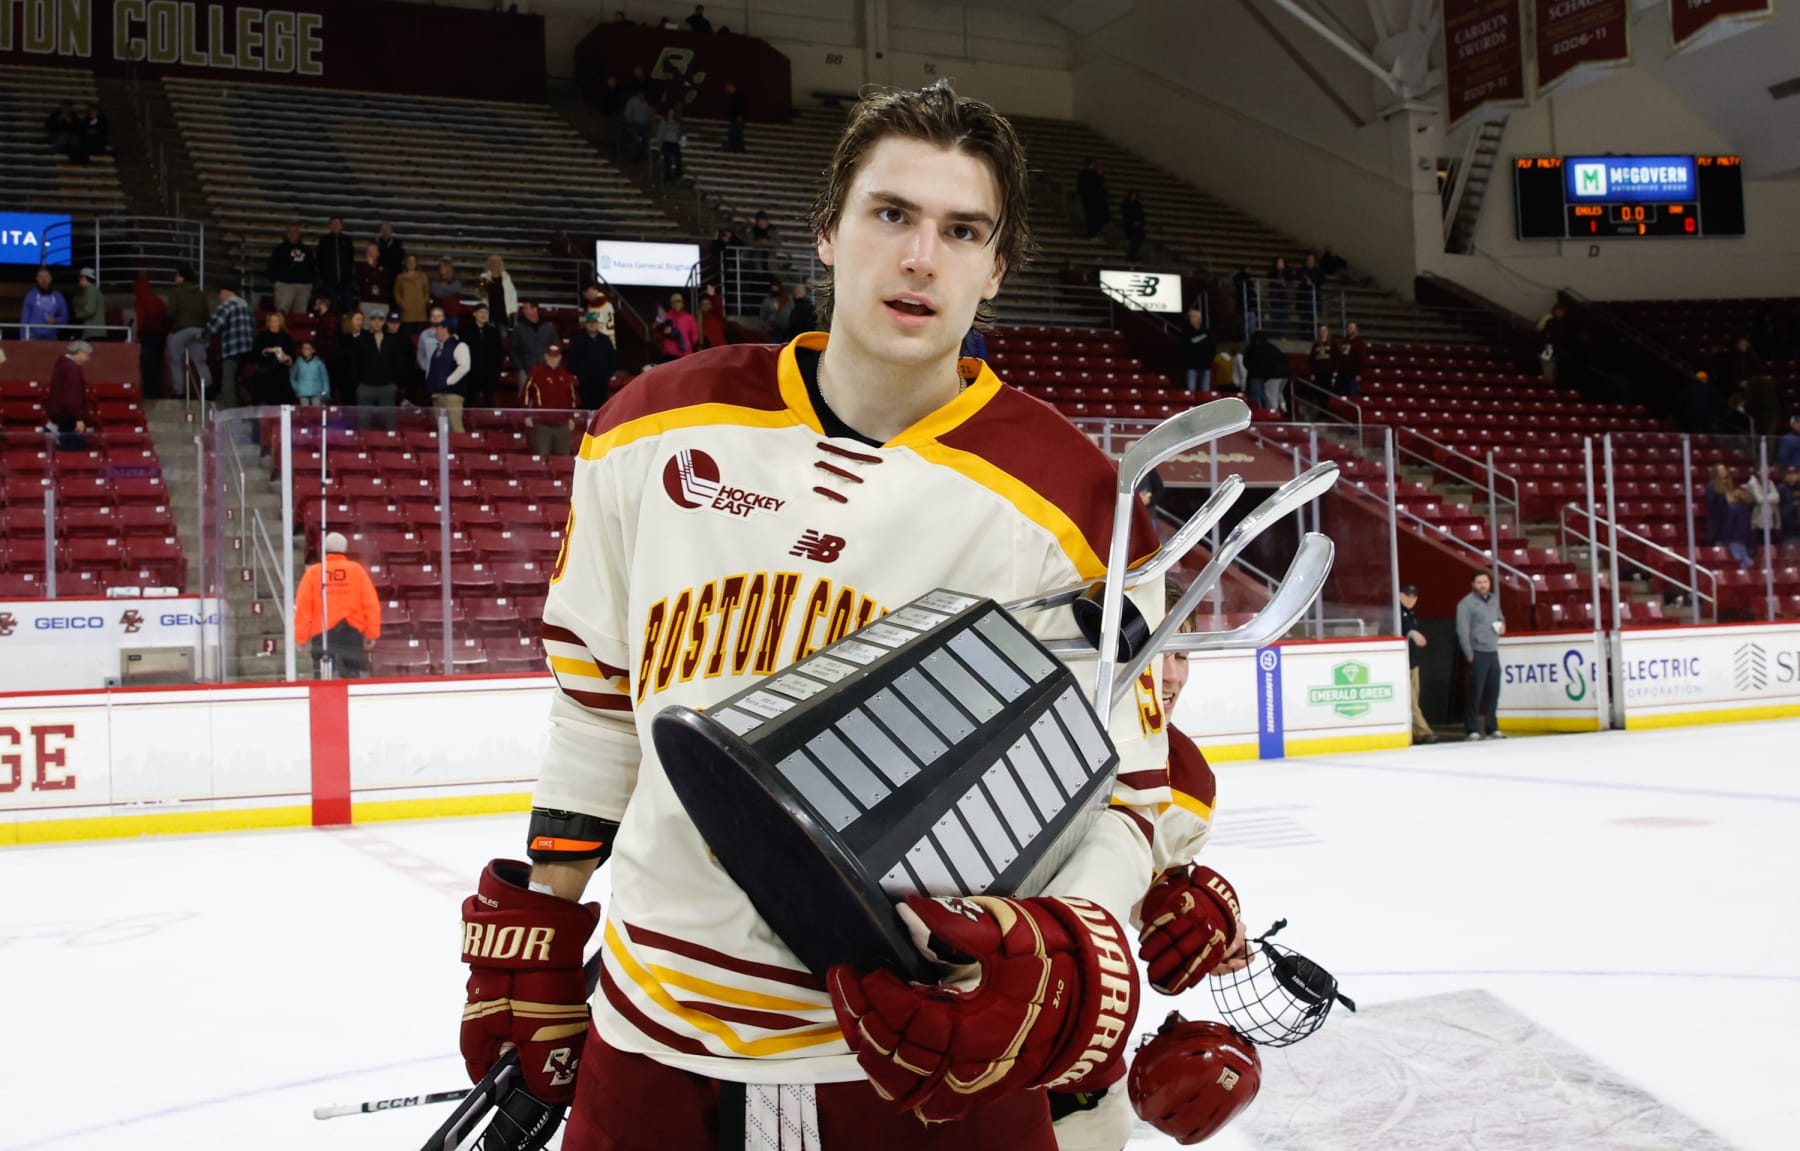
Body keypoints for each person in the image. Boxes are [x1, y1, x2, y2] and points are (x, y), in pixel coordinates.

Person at [454, 79, 1189, 1151]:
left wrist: (1068, 947)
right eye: (891, 214)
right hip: (653, 1039)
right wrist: (550, 908)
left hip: (921, 1053)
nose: (921, 256)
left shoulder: (1079, 504)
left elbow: (1125, 796)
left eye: (961, 229)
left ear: (997, 267)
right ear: (829, 235)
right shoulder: (652, 428)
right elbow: (598, 702)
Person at [293, 532, 381, 678]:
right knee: (352, 680)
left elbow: (303, 608)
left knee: (323, 681)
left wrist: (301, 638)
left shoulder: (313, 573)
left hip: (322, 635)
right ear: (345, 550)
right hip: (352, 634)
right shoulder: (357, 571)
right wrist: (371, 634)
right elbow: (371, 605)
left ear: (324, 550)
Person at [1455, 572, 1506, 741]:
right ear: (1473, 584)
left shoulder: (1493, 600)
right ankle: (1471, 729)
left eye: (1485, 581)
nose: (1483, 585)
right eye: (1479, 582)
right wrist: (1469, 653)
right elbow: (1462, 630)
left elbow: (1500, 617)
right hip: (1477, 652)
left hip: (1492, 651)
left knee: (1493, 691)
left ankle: (1492, 727)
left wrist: (1502, 625)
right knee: (1476, 692)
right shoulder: (1466, 604)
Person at [523, 343, 579, 456]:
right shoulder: (536, 373)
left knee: (563, 457)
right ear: (545, 356)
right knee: (541, 455)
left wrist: (572, 418)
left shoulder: (566, 376)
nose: (553, 359)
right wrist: (526, 415)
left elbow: (573, 399)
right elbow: (526, 394)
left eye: (556, 356)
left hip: (562, 425)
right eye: (550, 356)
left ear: (560, 358)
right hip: (541, 424)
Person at [205, 286, 256, 407]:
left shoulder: (226, 306)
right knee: (236, 379)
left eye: (221, 294)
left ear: (226, 293)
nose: (220, 298)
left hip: (231, 348)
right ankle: (247, 399)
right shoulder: (247, 307)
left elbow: (214, 327)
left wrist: (201, 334)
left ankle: (231, 411)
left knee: (228, 382)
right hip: (247, 349)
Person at [165, 267, 210, 397]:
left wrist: (169, 322)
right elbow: (207, 314)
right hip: (198, 330)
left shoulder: (175, 292)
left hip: (180, 330)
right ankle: (207, 387)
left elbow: (172, 311)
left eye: (176, 276)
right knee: (200, 361)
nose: (175, 278)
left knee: (175, 360)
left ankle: (179, 391)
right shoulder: (201, 293)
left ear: (182, 277)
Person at [424, 313, 471, 433]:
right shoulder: (438, 349)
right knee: (442, 430)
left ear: (445, 329)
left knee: (456, 428)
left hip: (452, 395)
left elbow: (464, 367)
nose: (435, 331)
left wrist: (447, 382)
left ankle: (461, 451)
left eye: (438, 328)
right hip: (437, 394)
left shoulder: (459, 345)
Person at [1400, 584, 1435, 744]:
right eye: (1407, 595)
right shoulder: (1395, 612)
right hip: (1401, 663)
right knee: (1412, 700)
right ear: (1400, 595)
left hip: (1413, 663)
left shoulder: (1411, 613)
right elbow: (1393, 630)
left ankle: (1415, 731)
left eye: (1413, 597)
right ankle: (1424, 731)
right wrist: (1410, 633)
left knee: (1414, 699)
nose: (1410, 599)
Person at [566, 309, 617, 410]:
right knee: (587, 408)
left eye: (594, 322)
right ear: (586, 324)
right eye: (589, 322)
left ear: (598, 324)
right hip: (585, 383)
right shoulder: (578, 340)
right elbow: (572, 360)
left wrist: (607, 375)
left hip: (602, 382)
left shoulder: (605, 340)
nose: (592, 325)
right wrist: (580, 375)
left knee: (602, 409)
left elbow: (612, 359)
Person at [48, 340, 93, 451]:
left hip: (61, 416)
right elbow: (72, 396)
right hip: (69, 418)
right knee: (73, 451)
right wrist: (78, 418)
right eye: (87, 355)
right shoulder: (72, 368)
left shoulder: (61, 365)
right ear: (80, 352)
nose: (88, 359)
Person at [460, 303, 505, 408]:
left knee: (489, 403)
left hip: (489, 375)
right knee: (470, 403)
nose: (483, 315)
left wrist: (496, 370)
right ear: (474, 314)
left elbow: (499, 353)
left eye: (485, 312)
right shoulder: (465, 331)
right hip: (471, 374)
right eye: (481, 312)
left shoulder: (493, 332)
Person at [132, 271, 168, 397]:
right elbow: (166, 319)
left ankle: (149, 392)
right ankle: (158, 391)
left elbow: (140, 318)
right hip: (160, 336)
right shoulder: (159, 301)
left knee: (147, 365)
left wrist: (136, 334)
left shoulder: (139, 301)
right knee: (158, 364)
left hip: (146, 336)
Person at [250, 310, 296, 405]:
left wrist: (286, 358)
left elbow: (292, 358)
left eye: (276, 321)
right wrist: (267, 350)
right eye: (271, 321)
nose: (273, 323)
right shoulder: (261, 336)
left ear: (280, 322)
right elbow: (255, 353)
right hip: (265, 375)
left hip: (281, 374)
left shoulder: (287, 337)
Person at [269, 225, 315, 315]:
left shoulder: (306, 250)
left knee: (300, 314)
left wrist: (310, 281)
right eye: (290, 232)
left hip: (303, 286)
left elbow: (312, 266)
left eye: (295, 232)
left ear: (299, 234)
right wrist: (276, 280)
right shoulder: (279, 250)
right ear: (286, 234)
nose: (292, 234)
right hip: (284, 285)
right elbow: (272, 266)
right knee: (282, 313)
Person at [315, 216, 356, 313]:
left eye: (338, 224)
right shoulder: (324, 241)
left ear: (342, 226)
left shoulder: (347, 241)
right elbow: (319, 260)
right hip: (329, 282)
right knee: (332, 307)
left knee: (347, 306)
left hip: (345, 281)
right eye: (333, 224)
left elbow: (351, 260)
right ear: (329, 226)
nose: (336, 226)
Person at [1243, 329, 1287, 414]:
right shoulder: (1271, 347)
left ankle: (1268, 415)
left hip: (1266, 376)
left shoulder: (1252, 348)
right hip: (1282, 375)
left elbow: (1247, 362)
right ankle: (1279, 412)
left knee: (1268, 397)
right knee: (1276, 395)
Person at [20, 268, 69, 340]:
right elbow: (24, 320)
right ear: (37, 279)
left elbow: (65, 317)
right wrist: (23, 339)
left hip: (51, 338)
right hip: (33, 337)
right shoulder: (30, 296)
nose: (43, 280)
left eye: (46, 276)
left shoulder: (58, 297)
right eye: (40, 277)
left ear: (51, 278)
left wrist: (55, 320)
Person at [354, 242, 393, 321]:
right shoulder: (360, 268)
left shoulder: (385, 269)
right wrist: (370, 267)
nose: (371, 253)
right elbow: (361, 282)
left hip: (382, 303)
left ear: (378, 253)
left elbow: (386, 283)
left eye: (374, 251)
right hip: (366, 302)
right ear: (366, 253)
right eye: (369, 251)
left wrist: (370, 280)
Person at [480, 255, 519, 331]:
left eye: (497, 262)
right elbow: (482, 295)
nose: (495, 264)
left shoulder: (506, 277)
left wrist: (513, 311)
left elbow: (513, 295)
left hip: (503, 314)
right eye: (493, 262)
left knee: (503, 336)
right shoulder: (483, 277)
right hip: (490, 313)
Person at [1180, 306, 1213, 394]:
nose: (1194, 319)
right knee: (1191, 390)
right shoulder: (1186, 332)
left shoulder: (1206, 331)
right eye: (1192, 317)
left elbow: (1212, 347)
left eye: (1196, 317)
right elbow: (1183, 348)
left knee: (1205, 391)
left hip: (1205, 365)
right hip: (1191, 365)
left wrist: (1209, 360)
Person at [392, 254, 431, 326]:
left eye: (413, 261)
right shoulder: (400, 277)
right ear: (406, 263)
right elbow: (396, 292)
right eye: (409, 261)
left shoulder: (423, 276)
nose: (411, 263)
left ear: (416, 263)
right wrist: (401, 303)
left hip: (420, 311)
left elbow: (427, 291)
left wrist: (424, 301)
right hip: (406, 312)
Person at [1076, 157, 1109, 238]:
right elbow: (1100, 185)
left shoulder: (1083, 174)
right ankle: (1093, 233)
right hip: (1093, 199)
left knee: (1091, 217)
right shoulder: (1092, 174)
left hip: (1090, 199)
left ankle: (1092, 233)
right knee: (1093, 217)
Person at [291, 340, 329, 406]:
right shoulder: (298, 363)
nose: (305, 350)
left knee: (316, 412)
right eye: (304, 348)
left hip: (316, 391)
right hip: (302, 392)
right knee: (305, 412)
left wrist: (325, 391)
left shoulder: (319, 363)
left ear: (313, 350)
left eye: (308, 348)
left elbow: (324, 378)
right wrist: (296, 388)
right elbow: (292, 376)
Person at [1335, 321, 1366, 398]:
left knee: (1353, 395)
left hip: (1353, 375)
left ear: (1356, 330)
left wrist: (1359, 373)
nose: (1350, 329)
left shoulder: (1360, 343)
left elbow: (1362, 359)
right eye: (1349, 328)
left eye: (1352, 328)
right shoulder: (1344, 341)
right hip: (1342, 374)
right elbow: (1340, 357)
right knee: (1342, 395)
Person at [72, 268, 105, 340]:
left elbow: (90, 310)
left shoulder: (90, 289)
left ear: (83, 277)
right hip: (96, 332)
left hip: (93, 332)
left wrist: (77, 315)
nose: (78, 280)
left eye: (79, 277)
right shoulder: (93, 290)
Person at [1705, 463, 1733, 545]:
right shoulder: (1711, 485)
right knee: (1719, 540)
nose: (1723, 472)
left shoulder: (1728, 484)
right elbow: (1709, 502)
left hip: (1728, 517)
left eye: (1724, 469)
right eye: (1720, 470)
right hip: (1718, 518)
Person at [1309, 324, 1335, 396]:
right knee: (1319, 391)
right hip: (1318, 372)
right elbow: (1312, 359)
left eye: (1325, 330)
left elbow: (1337, 357)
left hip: (1329, 372)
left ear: (1327, 332)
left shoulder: (1333, 344)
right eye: (1321, 331)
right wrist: (1312, 372)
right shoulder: (1316, 344)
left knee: (1328, 391)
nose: (1323, 332)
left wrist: (1336, 370)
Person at [1120, 189, 1146, 261]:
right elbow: (1125, 214)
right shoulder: (1125, 203)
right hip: (1128, 224)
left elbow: (1141, 215)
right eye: (1133, 195)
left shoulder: (1138, 205)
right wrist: (1133, 221)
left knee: (1139, 235)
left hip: (1137, 225)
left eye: (1135, 195)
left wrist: (1139, 222)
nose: (1134, 196)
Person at [724, 80, 747, 152]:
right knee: (733, 133)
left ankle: (738, 148)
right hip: (734, 118)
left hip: (737, 118)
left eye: (728, 88)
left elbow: (741, 107)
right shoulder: (735, 95)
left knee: (737, 134)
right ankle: (734, 147)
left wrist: (740, 116)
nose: (727, 90)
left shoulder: (738, 95)